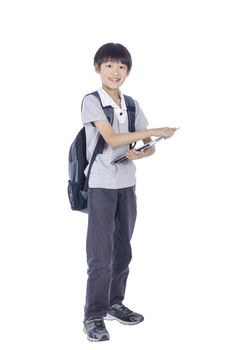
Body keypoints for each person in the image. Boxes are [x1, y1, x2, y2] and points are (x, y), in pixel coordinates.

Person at [81, 42, 177, 342]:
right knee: (101, 255)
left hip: (127, 184)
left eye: (121, 66)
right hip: (101, 185)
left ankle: (114, 304)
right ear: (98, 68)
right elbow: (110, 138)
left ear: (128, 72)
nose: (115, 72)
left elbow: (145, 147)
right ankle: (93, 316)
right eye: (109, 65)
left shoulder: (131, 103)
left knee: (123, 249)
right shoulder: (92, 100)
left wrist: (145, 150)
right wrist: (153, 131)